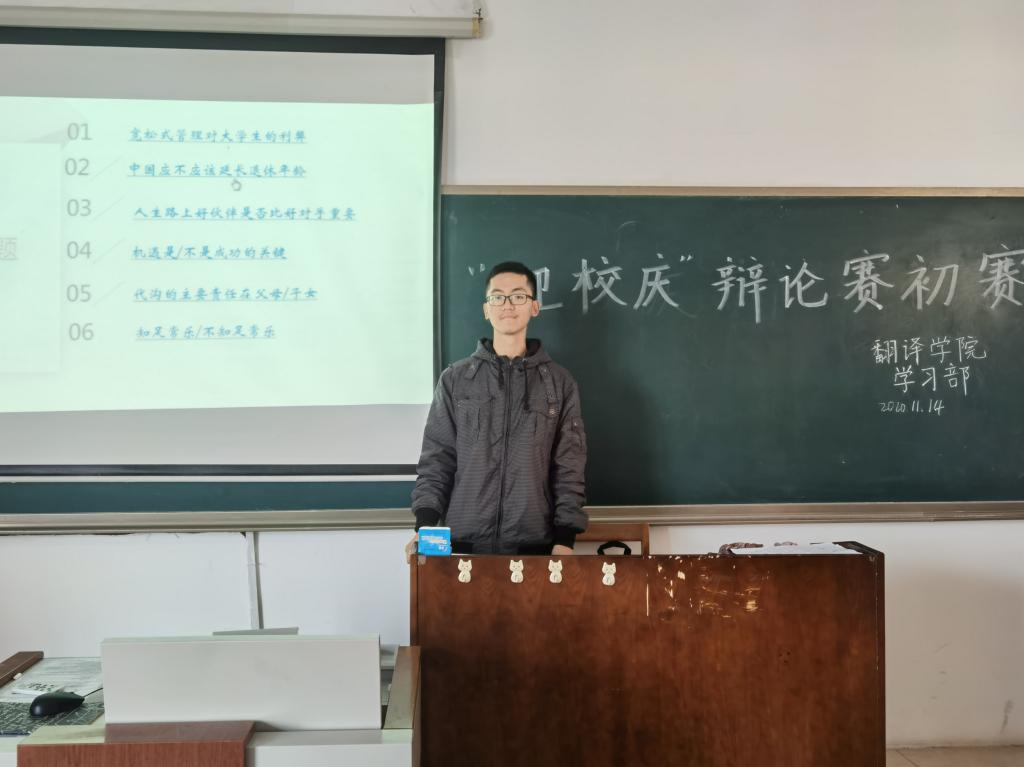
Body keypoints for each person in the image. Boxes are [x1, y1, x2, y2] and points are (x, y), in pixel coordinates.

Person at [409, 261, 587, 557]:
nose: (507, 305)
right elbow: (437, 460)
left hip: (534, 548)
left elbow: (569, 465)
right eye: (497, 297)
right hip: (461, 547)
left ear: (534, 307)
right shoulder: (455, 379)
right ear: (486, 309)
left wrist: (565, 539)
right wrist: (424, 528)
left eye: (518, 296)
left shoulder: (559, 383)